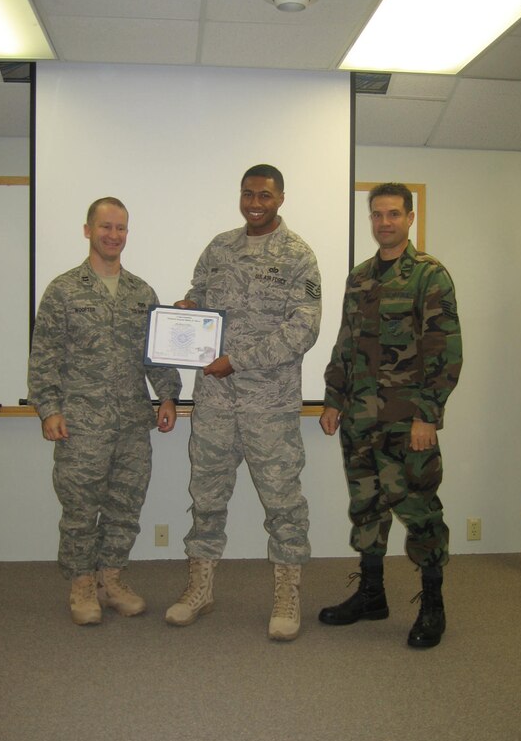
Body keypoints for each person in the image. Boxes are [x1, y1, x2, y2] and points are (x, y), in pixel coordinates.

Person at [165, 165, 321, 641]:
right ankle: (200, 588)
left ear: (281, 198)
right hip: (214, 401)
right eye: (249, 194)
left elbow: (303, 329)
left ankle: (288, 594)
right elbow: (199, 295)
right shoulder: (219, 247)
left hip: (269, 405)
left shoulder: (298, 256)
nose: (255, 202)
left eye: (265, 195)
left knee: (282, 502)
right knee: (206, 496)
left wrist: (241, 360)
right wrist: (187, 311)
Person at [318, 182, 462, 648]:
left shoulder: (429, 275)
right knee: (367, 509)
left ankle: (434, 604)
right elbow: (345, 341)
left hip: (407, 421)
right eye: (377, 214)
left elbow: (444, 349)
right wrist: (334, 397)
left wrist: (428, 415)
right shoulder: (359, 277)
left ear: (410, 217)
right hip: (359, 417)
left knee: (419, 509)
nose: (385, 222)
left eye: (394, 214)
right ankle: (372, 595)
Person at [28, 197, 182, 626]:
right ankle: (81, 583)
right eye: (106, 227)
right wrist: (49, 409)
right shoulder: (64, 290)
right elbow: (44, 355)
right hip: (81, 424)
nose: (114, 235)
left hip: (133, 422)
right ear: (88, 230)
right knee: (80, 507)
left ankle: (111, 579)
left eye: (121, 228)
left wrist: (168, 395)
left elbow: (157, 355)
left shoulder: (141, 292)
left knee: (125, 505)